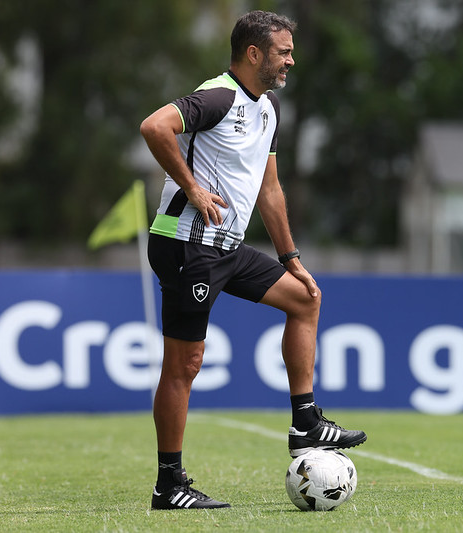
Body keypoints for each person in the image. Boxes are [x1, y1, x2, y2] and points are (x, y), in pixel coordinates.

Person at [140, 10, 366, 510]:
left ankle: (305, 422)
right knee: (186, 363)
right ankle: (169, 485)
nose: (291, 59)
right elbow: (155, 126)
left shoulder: (269, 109)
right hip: (186, 243)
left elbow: (269, 189)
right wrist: (193, 188)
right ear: (254, 54)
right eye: (283, 51)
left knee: (305, 298)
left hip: (225, 247)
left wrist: (290, 256)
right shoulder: (219, 96)